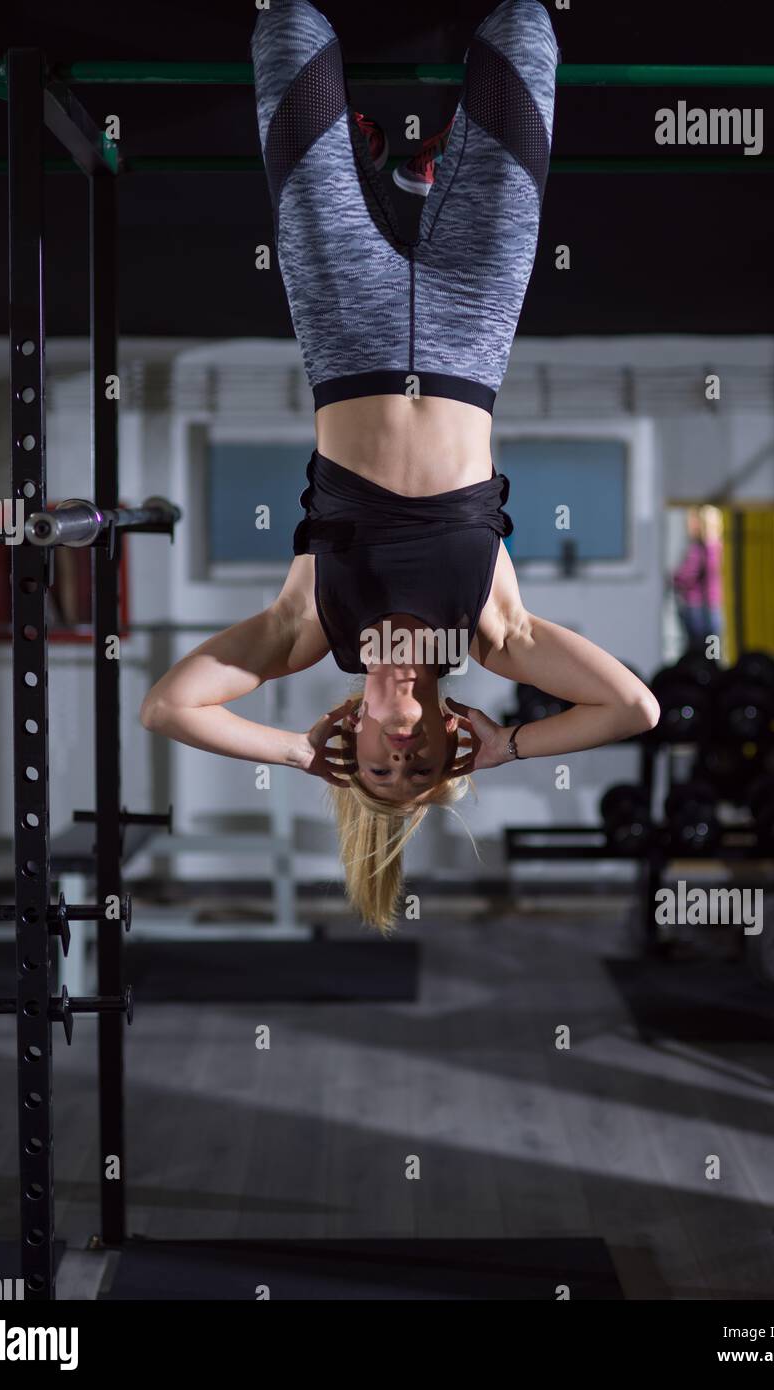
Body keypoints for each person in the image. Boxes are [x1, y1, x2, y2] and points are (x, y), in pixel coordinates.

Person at [140, 0, 660, 932]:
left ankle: (392, 173)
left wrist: (300, 756)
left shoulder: (308, 627)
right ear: (450, 741)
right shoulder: (495, 633)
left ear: (353, 736)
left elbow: (170, 708)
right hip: (471, 328)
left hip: (342, 331)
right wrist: (506, 749)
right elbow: (633, 707)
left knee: (288, 31)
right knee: (523, 31)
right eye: (424, 768)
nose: (404, 750)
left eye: (380, 766)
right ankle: (415, 180)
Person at [671, 506, 723, 653]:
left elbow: (687, 574)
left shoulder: (699, 549)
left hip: (696, 604)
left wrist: (674, 578)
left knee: (697, 646)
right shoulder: (718, 547)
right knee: (713, 648)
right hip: (714, 603)